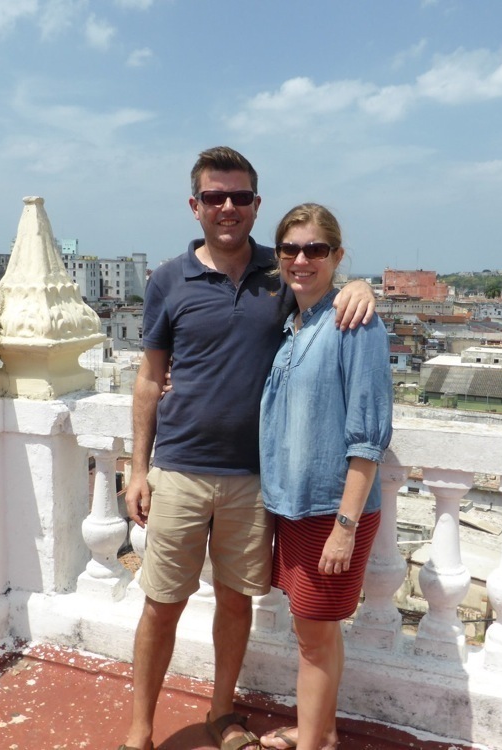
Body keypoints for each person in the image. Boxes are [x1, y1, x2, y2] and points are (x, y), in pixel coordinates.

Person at [119, 149, 376, 750]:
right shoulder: (168, 280)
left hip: (255, 477)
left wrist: (363, 286)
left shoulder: (279, 272)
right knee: (161, 605)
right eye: (215, 197)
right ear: (195, 206)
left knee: (236, 604)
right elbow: (150, 378)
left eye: (239, 197)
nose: (227, 207)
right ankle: (139, 729)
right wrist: (138, 467)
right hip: (180, 469)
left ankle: (221, 712)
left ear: (257, 204)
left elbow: (323, 295)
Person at [258, 204, 392, 750]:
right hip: (293, 505)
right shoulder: (294, 323)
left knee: (312, 639)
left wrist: (344, 526)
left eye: (315, 249)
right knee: (317, 631)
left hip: (330, 510)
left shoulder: (355, 323)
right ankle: (324, 731)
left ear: (336, 255)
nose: (301, 259)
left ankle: (311, 741)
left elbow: (368, 437)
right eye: (290, 249)